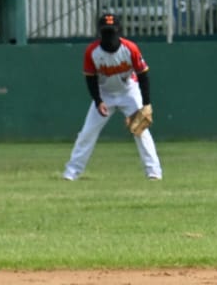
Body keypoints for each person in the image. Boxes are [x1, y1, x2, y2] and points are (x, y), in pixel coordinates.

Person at [63, 11, 161, 181]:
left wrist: (146, 104)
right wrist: (98, 101)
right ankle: (71, 172)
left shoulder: (130, 48)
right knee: (87, 132)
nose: (109, 36)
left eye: (112, 31)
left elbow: (143, 74)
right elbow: (90, 78)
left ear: (119, 31)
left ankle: (154, 172)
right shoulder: (92, 51)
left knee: (141, 131)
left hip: (129, 92)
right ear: (100, 32)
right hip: (104, 94)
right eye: (106, 32)